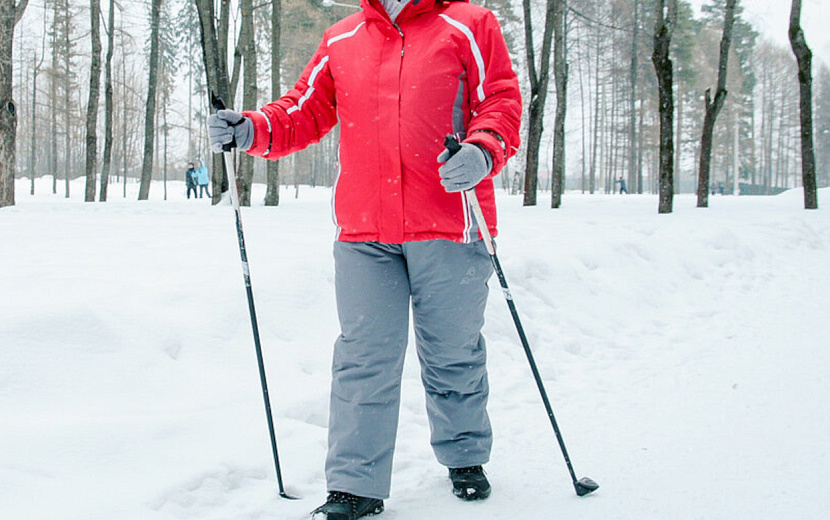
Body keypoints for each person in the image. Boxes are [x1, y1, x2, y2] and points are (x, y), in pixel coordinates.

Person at [208, 1, 521, 518]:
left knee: (453, 350)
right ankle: (355, 486)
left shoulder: (469, 24)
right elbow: (303, 111)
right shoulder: (342, 38)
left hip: (450, 220)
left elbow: (501, 102)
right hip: (365, 231)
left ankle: (465, 455)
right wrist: (250, 129)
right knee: (363, 358)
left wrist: (483, 150)